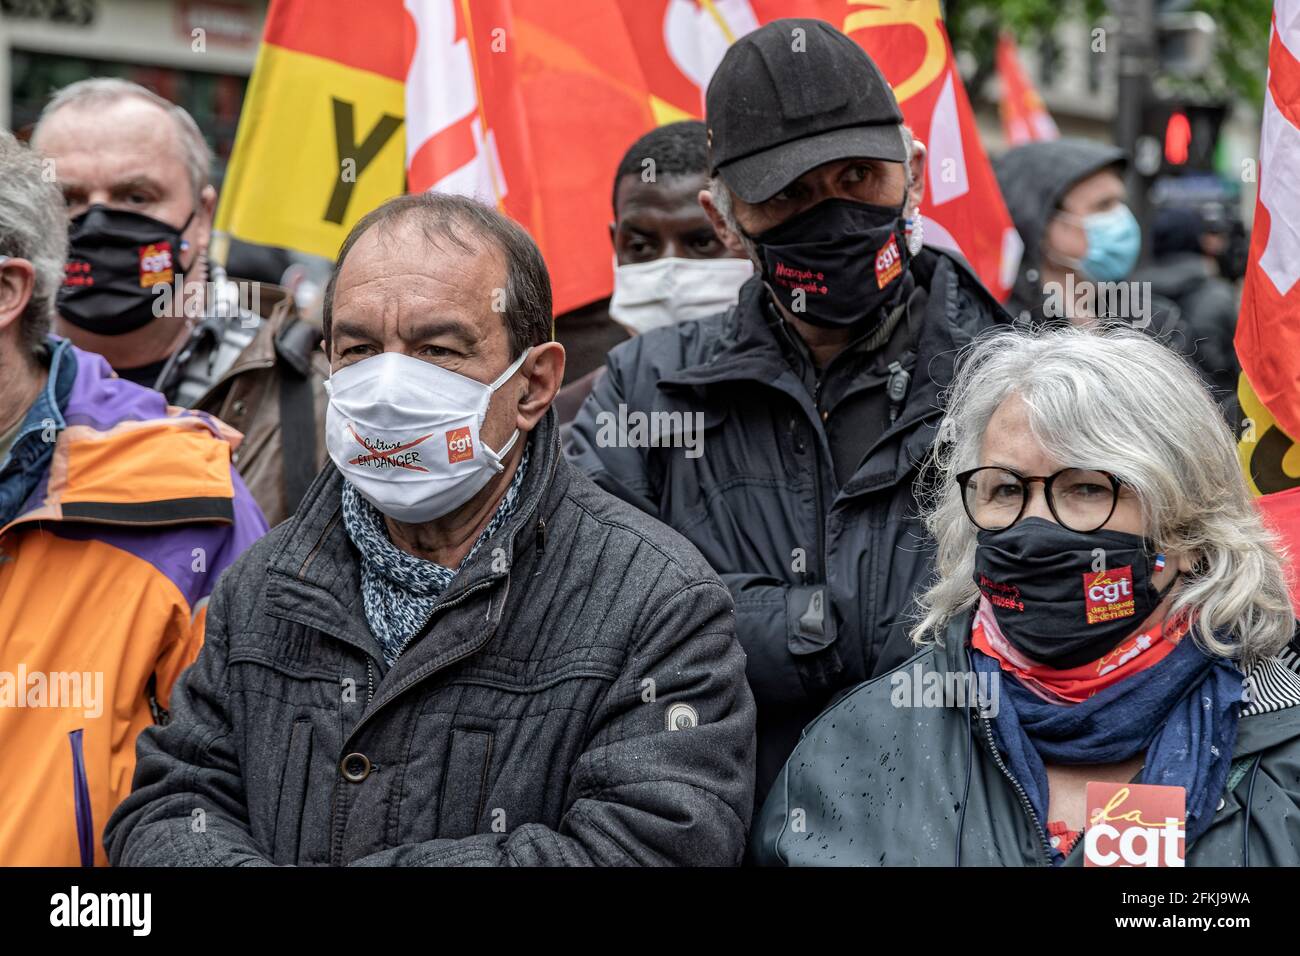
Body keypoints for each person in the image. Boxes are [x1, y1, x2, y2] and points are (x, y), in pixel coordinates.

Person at [104, 192, 756, 867]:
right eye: (358, 348)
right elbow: (170, 805)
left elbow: (655, 845)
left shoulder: (656, 604)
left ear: (533, 385)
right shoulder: (263, 586)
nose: (387, 387)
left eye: (436, 349)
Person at [567, 18, 1009, 809]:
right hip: (713, 829)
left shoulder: (1020, 381)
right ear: (724, 219)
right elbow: (595, 619)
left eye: (856, 178)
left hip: (962, 826)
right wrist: (828, 625)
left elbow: (1040, 621)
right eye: (790, 195)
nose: (832, 214)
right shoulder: (645, 388)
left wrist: (744, 616)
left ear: (912, 173)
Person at [752, 326, 1300, 866]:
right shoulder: (857, 747)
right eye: (1006, 490)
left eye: (1086, 488)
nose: (1033, 527)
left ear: (1187, 528)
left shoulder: (1284, 759)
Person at [0, 129, 267, 865]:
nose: (108, 219)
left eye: (136, 196)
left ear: (8, 289)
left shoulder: (189, 497)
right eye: (79, 198)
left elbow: (253, 791)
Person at [32, 78, 329, 525]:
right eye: (68, 199)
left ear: (203, 217)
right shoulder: (9, 380)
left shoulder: (309, 397)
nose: (96, 222)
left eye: (136, 196)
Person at [554, 120, 753, 424]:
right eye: (641, 247)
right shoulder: (567, 424)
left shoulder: (809, 400)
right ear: (615, 243)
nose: (668, 270)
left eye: (702, 242)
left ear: (745, 234)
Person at [993, 138, 1140, 326]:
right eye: (1103, 205)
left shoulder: (1153, 321)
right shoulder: (1001, 332)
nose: (1121, 217)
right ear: (1044, 221)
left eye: (1120, 203)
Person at [1132, 204, 1241, 419]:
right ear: (1196, 240)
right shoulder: (1219, 295)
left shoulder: (1130, 295)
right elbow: (1236, 368)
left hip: (1146, 422)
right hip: (1214, 422)